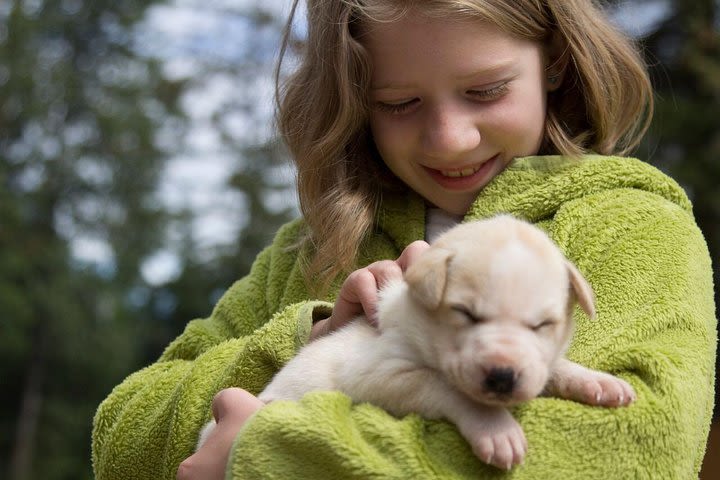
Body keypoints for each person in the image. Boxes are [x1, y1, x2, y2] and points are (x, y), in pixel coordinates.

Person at [92, 0, 717, 479]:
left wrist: (265, 454)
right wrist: (310, 339)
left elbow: (628, 448)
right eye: (398, 102)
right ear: (355, 99)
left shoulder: (629, 228)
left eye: (485, 90)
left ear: (554, 61)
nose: (449, 139)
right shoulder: (313, 250)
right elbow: (121, 438)